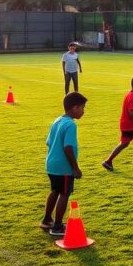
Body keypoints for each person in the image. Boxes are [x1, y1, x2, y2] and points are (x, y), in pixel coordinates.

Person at [41, 92, 87, 237]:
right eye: (82, 108)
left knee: (55, 190)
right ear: (74, 108)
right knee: (64, 193)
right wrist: (75, 167)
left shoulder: (57, 120)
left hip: (51, 164)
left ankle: (47, 219)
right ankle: (57, 226)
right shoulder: (70, 125)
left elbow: (49, 142)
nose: (83, 111)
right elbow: (68, 147)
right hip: (64, 167)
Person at [102, 77, 133, 171]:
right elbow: (131, 112)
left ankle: (108, 161)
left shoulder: (129, 94)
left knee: (124, 143)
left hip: (125, 124)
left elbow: (132, 111)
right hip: (131, 126)